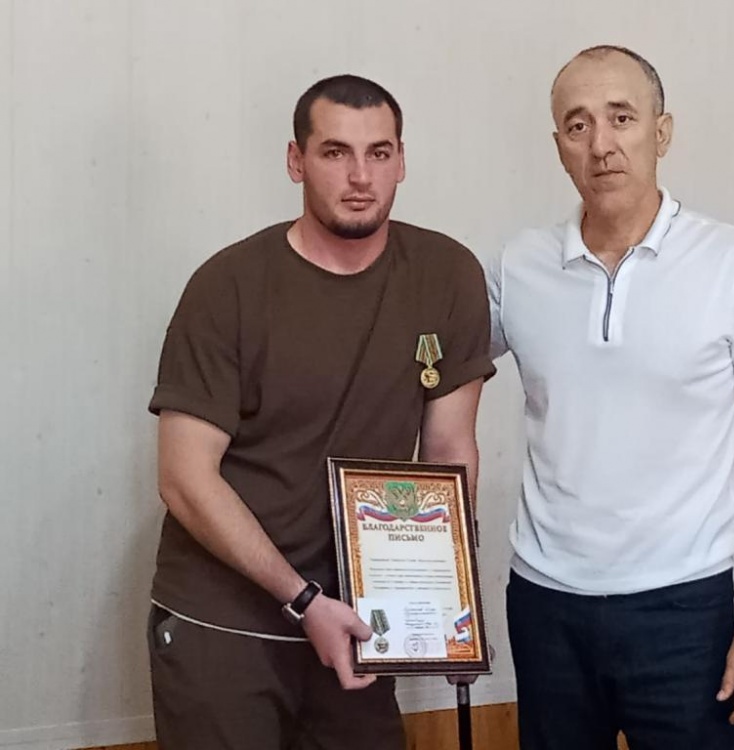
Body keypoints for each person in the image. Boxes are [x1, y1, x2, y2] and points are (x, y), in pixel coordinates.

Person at [146, 74, 494, 750]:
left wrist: (449, 599)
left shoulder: (447, 274)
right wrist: (302, 601)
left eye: (379, 153)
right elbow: (184, 479)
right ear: (295, 160)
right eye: (336, 152)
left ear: (401, 160)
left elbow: (451, 448)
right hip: (226, 621)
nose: (361, 176)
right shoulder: (228, 286)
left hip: (359, 619)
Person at [487, 46, 734, 749]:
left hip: (683, 607)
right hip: (545, 604)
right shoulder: (517, 266)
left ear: (662, 132)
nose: (601, 143)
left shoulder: (733, 261)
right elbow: (428, 368)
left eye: (622, 118)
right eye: (578, 125)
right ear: (559, 146)